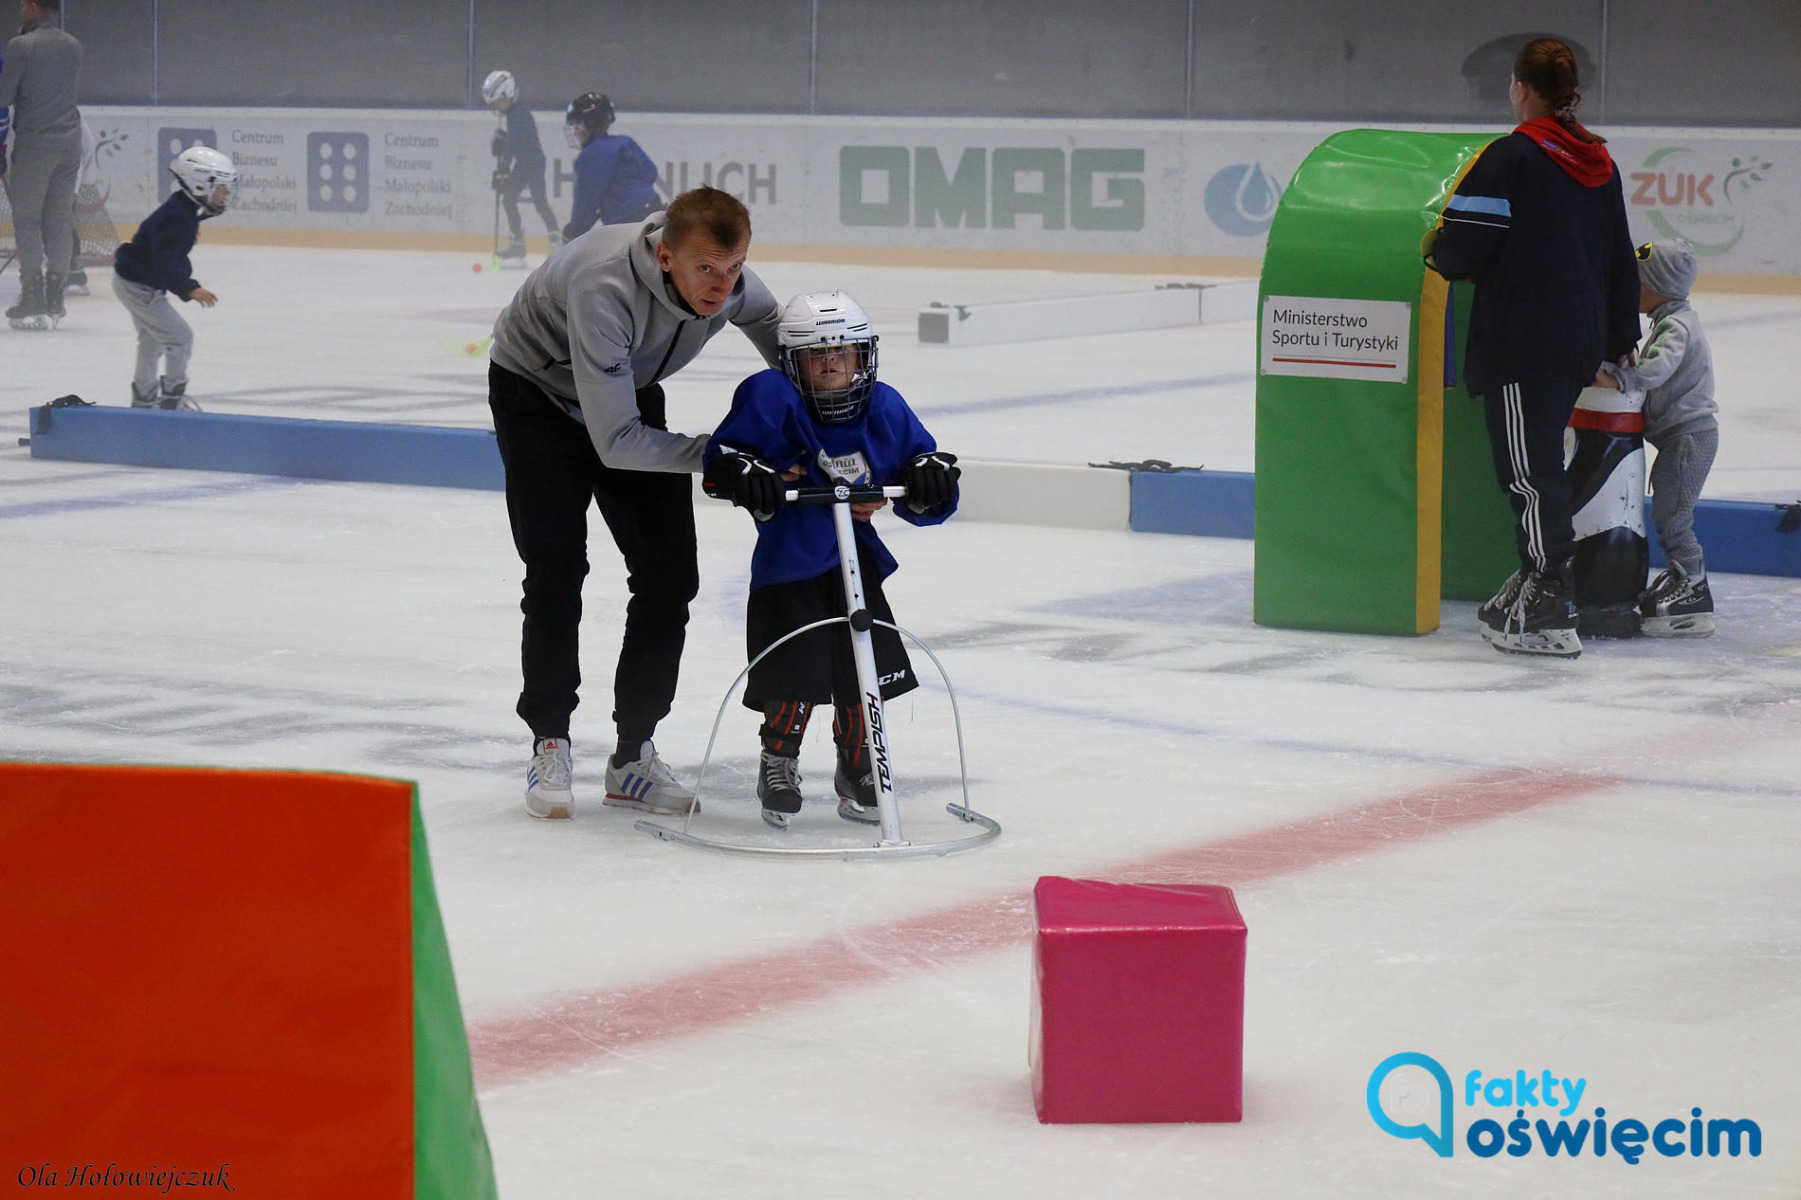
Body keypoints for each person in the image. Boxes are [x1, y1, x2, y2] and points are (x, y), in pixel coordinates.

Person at [488, 186, 784, 821]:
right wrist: (717, 455)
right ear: (665, 253)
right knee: (557, 570)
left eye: (733, 268)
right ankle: (550, 738)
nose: (721, 285)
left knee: (670, 576)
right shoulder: (606, 285)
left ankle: (632, 756)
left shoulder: (729, 281)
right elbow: (617, 442)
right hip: (534, 396)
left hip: (624, 389)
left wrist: (827, 429)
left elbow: (780, 336)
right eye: (706, 267)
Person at [701, 291, 961, 829]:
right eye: (817, 355)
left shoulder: (882, 404)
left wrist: (927, 478)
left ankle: (858, 763)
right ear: (791, 363)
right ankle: (779, 760)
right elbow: (724, 459)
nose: (832, 365)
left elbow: (918, 467)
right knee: (792, 669)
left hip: (856, 562)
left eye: (844, 353)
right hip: (790, 562)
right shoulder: (772, 395)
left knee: (858, 661)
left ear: (864, 356)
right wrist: (744, 472)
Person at [1424, 36, 1640, 659]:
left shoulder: (1511, 157)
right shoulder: (1598, 161)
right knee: (1542, 463)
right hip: (1577, 339)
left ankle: (1549, 595)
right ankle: (1536, 583)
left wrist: (1435, 250)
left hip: (1524, 340)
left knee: (1529, 472)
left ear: (1519, 89)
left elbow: (1463, 247)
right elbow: (1617, 255)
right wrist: (1619, 336)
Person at [1592, 239, 1717, 636]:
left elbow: (1660, 367)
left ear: (1657, 286)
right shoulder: (1671, 321)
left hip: (1690, 437)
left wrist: (1621, 378)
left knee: (1672, 516)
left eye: (1637, 282)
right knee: (1669, 513)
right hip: (1682, 436)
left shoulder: (1677, 326)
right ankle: (1684, 577)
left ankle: (1694, 587)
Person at [111, 146, 235, 410]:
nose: (226, 195)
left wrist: (188, 234)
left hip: (136, 280)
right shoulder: (180, 217)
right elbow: (166, 258)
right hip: (139, 286)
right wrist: (188, 287)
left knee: (153, 339)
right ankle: (171, 400)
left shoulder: (183, 210)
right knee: (180, 338)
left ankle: (143, 400)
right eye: (222, 188)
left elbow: (162, 246)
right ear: (200, 184)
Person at [0, 0, 82, 330]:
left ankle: (32, 294)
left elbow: (3, 96)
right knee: (60, 219)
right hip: (70, 142)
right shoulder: (74, 45)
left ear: (34, 7)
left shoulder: (21, 45)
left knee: (28, 220)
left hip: (37, 142)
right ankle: (55, 294)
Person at [482, 69, 560, 265]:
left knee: (540, 203)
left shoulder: (519, 113)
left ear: (508, 95)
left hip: (533, 162)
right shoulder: (513, 114)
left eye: (499, 101)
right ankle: (517, 245)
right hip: (524, 163)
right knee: (509, 200)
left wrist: (503, 166)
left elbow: (516, 141)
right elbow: (515, 141)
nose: (497, 107)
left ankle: (558, 246)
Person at [561, 91, 660, 243]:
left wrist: (576, 228)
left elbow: (586, 200)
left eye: (578, 125)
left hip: (628, 226)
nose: (575, 131)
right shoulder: (625, 142)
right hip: (656, 212)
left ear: (590, 123)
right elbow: (650, 173)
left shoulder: (590, 155)